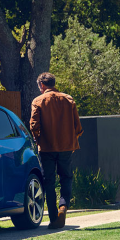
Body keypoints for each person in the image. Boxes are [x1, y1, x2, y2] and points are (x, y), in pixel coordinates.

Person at [29, 72, 83, 229]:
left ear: (42, 85)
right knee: (66, 177)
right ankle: (63, 207)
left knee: (49, 181)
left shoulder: (38, 101)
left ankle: (53, 218)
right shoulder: (68, 99)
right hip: (66, 147)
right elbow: (78, 127)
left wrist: (38, 139)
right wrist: (72, 141)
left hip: (46, 148)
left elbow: (34, 125)